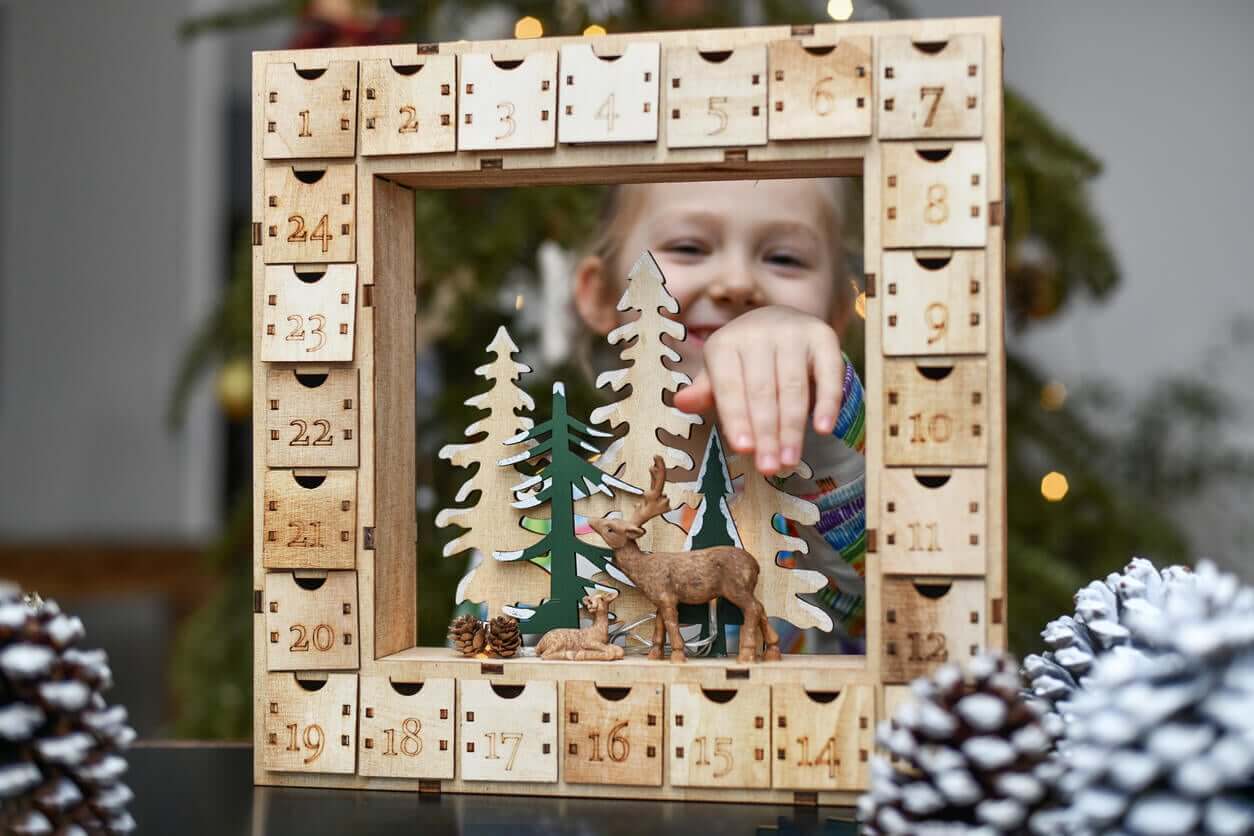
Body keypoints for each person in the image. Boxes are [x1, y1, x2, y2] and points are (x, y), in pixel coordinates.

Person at [571, 179, 867, 653]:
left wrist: (824, 414)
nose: (736, 284)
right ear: (602, 295)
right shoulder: (545, 519)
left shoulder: (827, 500)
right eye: (688, 247)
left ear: (835, 316)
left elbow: (888, 593)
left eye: (784, 258)